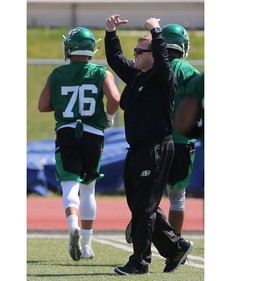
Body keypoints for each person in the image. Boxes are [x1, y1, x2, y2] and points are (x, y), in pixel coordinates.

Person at [104, 14, 193, 275]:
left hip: (156, 148)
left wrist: (156, 32)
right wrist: (110, 33)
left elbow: (164, 62)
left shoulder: (161, 79)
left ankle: (139, 262)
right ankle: (175, 246)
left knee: (144, 207)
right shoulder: (137, 77)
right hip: (137, 150)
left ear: (153, 55)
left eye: (140, 52)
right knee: (140, 205)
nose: (135, 55)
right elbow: (115, 59)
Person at [38, 26, 120, 261]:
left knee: (69, 185)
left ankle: (72, 223)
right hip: (94, 133)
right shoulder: (100, 72)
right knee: (89, 189)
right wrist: (108, 117)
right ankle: (87, 246)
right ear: (91, 49)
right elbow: (115, 98)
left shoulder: (57, 74)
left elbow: (42, 105)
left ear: (69, 48)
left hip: (67, 132)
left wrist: (64, 104)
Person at [162, 24, 201, 243]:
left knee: (147, 198)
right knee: (177, 198)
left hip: (153, 141)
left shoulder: (151, 67)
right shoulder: (189, 72)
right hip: (181, 141)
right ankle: (175, 244)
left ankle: (143, 241)